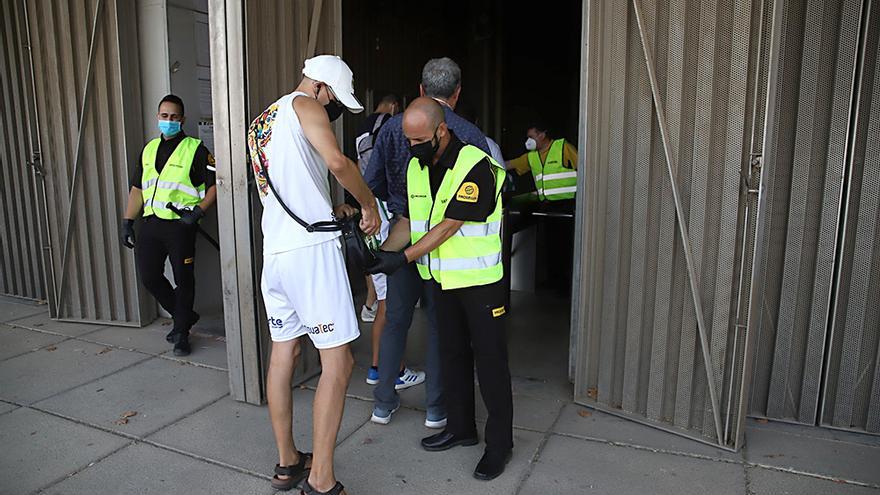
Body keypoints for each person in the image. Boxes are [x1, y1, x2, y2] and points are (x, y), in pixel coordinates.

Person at [247, 54, 380, 495]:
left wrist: (330, 208)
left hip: (278, 252)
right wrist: (367, 204)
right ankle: (321, 480)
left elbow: (292, 183)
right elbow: (339, 163)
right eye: (335, 102)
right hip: (311, 255)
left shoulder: (262, 120)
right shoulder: (306, 105)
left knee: (283, 353)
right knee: (338, 361)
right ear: (321, 87)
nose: (333, 110)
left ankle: (288, 463)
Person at [368, 98, 514, 481]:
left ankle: (500, 445)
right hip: (443, 282)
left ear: (441, 131)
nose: (411, 146)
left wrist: (405, 258)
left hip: (481, 284)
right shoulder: (417, 168)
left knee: (491, 362)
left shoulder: (476, 166)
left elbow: (450, 224)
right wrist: (383, 255)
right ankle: (461, 429)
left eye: (418, 139)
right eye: (407, 139)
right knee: (451, 357)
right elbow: (410, 220)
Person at [363, 57, 491, 428]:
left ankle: (383, 402)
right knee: (440, 327)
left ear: (420, 90)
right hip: (448, 251)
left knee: (393, 320)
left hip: (402, 238)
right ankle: (436, 409)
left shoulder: (391, 130)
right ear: (457, 92)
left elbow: (372, 185)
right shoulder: (471, 136)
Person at [120, 94, 216, 357]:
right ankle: (185, 316)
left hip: (180, 226)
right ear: (158, 117)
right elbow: (137, 189)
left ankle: (181, 333)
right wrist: (128, 221)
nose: (169, 121)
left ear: (182, 119)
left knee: (184, 279)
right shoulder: (149, 149)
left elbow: (215, 185)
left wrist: (197, 213)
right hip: (151, 224)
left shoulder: (196, 149)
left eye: (174, 117)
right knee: (149, 276)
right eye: (165, 116)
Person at [356, 94, 399, 324]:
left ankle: (371, 304)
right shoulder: (383, 121)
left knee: (373, 248)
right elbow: (384, 160)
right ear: (393, 106)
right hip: (380, 196)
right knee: (384, 247)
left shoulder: (362, 125)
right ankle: (381, 302)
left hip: (367, 195)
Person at [505, 121, 578, 203]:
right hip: (546, 205)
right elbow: (509, 164)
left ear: (542, 135)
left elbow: (583, 168)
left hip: (568, 203)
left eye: (531, 137)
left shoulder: (562, 147)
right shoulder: (531, 156)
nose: (528, 141)